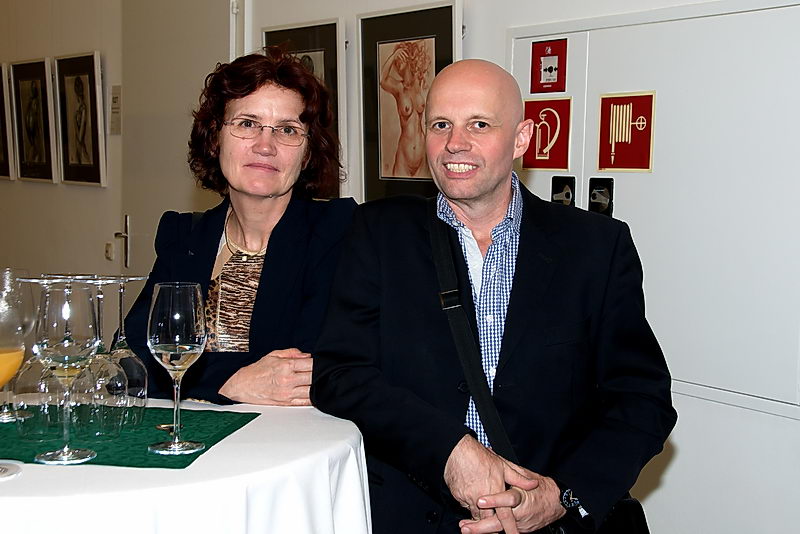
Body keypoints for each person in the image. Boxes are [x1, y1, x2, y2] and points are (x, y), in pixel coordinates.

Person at [312, 59, 677, 533]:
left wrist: (561, 494)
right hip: (411, 514)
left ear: (522, 139)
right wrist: (449, 451)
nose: (455, 143)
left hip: (547, 521)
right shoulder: (379, 233)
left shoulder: (595, 247)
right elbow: (340, 374)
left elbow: (642, 398)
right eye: (440, 124)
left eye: (479, 124)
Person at [126, 47, 356, 406]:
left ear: (307, 153)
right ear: (215, 138)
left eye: (287, 129)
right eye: (247, 124)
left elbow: (312, 367)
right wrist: (230, 381)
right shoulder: (183, 237)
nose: (265, 145)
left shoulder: (339, 234)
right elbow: (135, 358)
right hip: (189, 433)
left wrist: (194, 374)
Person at [380, 40, 431, 177]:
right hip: (404, 154)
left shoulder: (420, 84)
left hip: (422, 152)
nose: (397, 65)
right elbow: (382, 80)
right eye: (396, 62)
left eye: (400, 60)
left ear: (409, 61)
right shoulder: (399, 88)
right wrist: (393, 56)